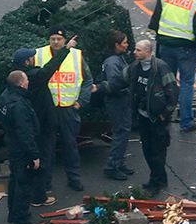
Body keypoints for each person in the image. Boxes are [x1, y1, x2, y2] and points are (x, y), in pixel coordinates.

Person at [11, 35, 75, 207]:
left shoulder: (15, 76)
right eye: (31, 57)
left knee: (33, 159)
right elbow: (50, 68)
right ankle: (40, 195)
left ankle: (35, 190)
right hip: (43, 124)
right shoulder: (34, 76)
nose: (34, 58)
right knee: (43, 158)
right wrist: (66, 49)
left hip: (32, 125)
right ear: (26, 62)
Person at [147, 0, 196, 133]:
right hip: (186, 48)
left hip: (165, 45)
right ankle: (186, 122)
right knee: (187, 83)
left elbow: (155, 19)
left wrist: (159, 37)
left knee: (164, 81)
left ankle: (163, 115)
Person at [33, 26, 95, 192]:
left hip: (68, 109)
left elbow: (88, 81)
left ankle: (74, 179)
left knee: (71, 145)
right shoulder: (39, 54)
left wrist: (81, 101)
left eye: (59, 39)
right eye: (52, 38)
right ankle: (45, 183)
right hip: (48, 110)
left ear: (65, 40)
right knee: (47, 148)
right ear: (48, 40)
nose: (55, 42)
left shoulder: (77, 55)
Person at [124, 40, 178, 196]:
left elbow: (173, 94)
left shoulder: (161, 68)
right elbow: (123, 80)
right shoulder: (135, 67)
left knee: (158, 151)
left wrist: (164, 114)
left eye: (138, 50)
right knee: (147, 149)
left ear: (148, 52)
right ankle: (156, 178)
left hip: (157, 119)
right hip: (143, 116)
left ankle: (158, 182)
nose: (135, 52)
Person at [0, 70, 41, 224]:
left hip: (12, 144)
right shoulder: (20, 105)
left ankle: (13, 214)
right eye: (27, 80)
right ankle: (22, 223)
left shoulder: (4, 97)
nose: (29, 82)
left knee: (15, 180)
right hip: (22, 149)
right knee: (23, 185)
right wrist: (34, 155)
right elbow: (25, 133)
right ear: (21, 84)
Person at [98, 30, 133, 181]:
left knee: (123, 132)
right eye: (124, 42)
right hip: (117, 102)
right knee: (120, 132)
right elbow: (114, 84)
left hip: (121, 101)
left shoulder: (117, 58)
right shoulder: (112, 62)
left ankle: (119, 162)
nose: (127, 45)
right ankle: (112, 166)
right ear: (117, 45)